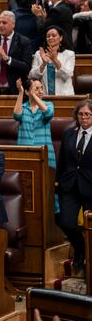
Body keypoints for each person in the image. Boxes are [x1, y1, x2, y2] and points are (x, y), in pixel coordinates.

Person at [56, 99, 92, 271]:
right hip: (69, 185)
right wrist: (58, 182)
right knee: (67, 223)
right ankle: (80, 249)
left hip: (90, 187)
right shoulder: (69, 133)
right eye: (80, 114)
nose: (83, 117)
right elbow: (62, 159)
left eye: (87, 114)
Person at [0, 11, 33, 95]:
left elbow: (27, 67)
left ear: (13, 24)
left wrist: (8, 59)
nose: (0, 25)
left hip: (15, 91)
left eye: (4, 23)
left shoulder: (24, 42)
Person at [13, 78, 56, 179]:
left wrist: (34, 96)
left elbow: (48, 114)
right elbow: (16, 116)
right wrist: (20, 92)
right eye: (36, 89)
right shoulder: (23, 107)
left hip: (45, 154)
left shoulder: (48, 105)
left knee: (46, 188)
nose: (41, 91)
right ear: (27, 92)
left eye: (41, 88)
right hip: (25, 153)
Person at [29, 26, 75, 95]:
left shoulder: (69, 54)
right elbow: (32, 75)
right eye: (48, 36)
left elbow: (67, 75)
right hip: (44, 95)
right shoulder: (39, 54)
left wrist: (55, 60)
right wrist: (43, 64)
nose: (50, 38)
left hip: (64, 96)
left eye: (54, 35)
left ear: (61, 38)